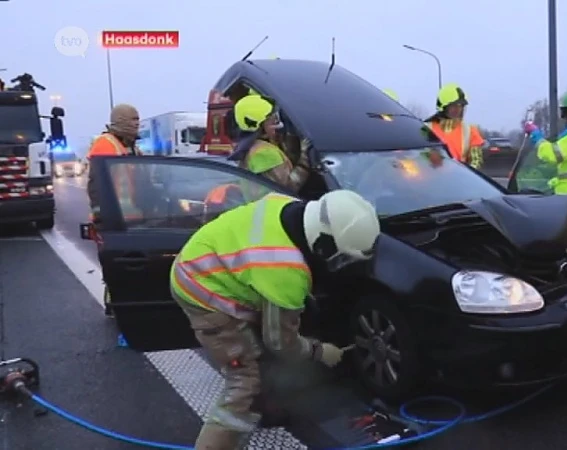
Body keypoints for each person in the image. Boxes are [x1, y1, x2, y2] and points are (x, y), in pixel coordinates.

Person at [170, 189, 381, 449]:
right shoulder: (285, 271)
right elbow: (280, 341)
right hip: (202, 289)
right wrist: (319, 351)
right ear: (323, 243)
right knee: (245, 382)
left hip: (205, 259)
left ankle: (269, 408)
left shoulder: (288, 205)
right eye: (341, 257)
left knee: (260, 345)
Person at [86, 103, 144, 223]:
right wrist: (99, 212)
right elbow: (96, 183)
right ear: (120, 120)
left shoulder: (133, 148)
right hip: (113, 218)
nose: (137, 123)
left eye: (138, 119)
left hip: (134, 216)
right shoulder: (105, 144)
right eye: (133, 119)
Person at [424, 83, 485, 169]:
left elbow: (476, 160)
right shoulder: (426, 129)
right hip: (433, 178)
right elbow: (419, 157)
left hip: (459, 179)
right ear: (443, 107)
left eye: (461, 106)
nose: (458, 109)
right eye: (453, 105)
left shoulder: (470, 130)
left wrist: (464, 176)